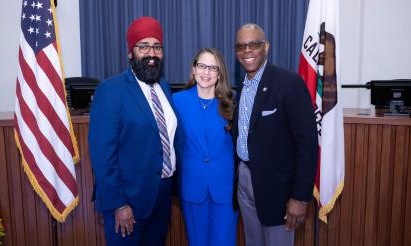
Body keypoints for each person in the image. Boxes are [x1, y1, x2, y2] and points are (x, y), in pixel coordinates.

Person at [88, 16, 183, 246]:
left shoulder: (165, 87)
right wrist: (119, 204)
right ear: (131, 52)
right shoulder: (110, 90)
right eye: (143, 46)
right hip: (127, 201)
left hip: (161, 196)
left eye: (157, 47)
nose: (151, 53)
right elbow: (102, 156)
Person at [232, 23, 318, 246]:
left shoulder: (289, 83)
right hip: (245, 180)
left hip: (278, 190)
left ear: (266, 47)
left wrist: (300, 197)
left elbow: (307, 144)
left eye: (253, 44)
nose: (247, 51)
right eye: (241, 46)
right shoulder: (239, 88)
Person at [173, 48, 237, 246]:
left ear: (219, 74)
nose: (206, 72)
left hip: (225, 188)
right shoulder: (177, 101)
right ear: (193, 69)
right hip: (193, 185)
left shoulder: (232, 102)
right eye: (202, 66)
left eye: (212, 68)